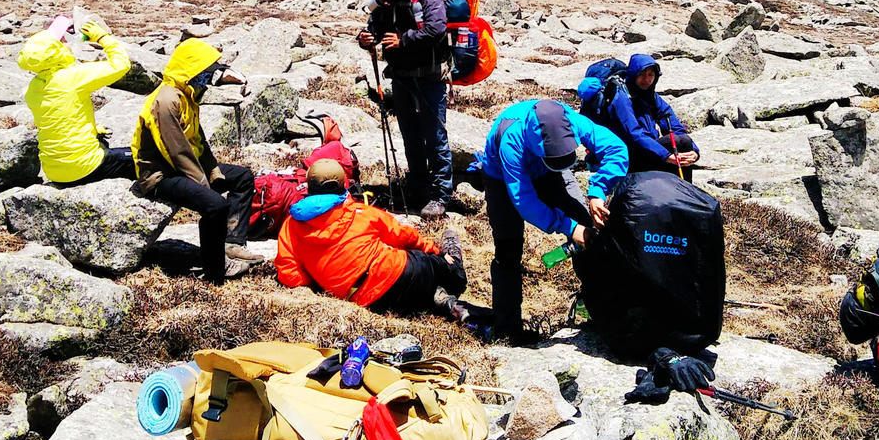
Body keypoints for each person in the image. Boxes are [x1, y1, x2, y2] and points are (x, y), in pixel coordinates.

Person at [476, 98, 629, 344]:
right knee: (508, 248)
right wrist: (568, 227)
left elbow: (616, 148)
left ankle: (595, 307)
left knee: (588, 230)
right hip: (501, 179)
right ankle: (507, 330)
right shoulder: (511, 139)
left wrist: (598, 191)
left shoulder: (572, 121)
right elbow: (524, 201)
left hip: (551, 172)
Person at [274, 158, 469, 319]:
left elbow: (288, 273)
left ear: (309, 187)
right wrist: (435, 251)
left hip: (367, 300)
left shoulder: (291, 224)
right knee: (453, 273)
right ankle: (453, 258)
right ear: (343, 184)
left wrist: (322, 279)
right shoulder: (360, 212)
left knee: (409, 296)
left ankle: (437, 297)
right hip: (401, 272)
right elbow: (405, 236)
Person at [132, 38, 259, 283]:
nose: (208, 77)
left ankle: (232, 243)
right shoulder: (167, 100)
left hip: (183, 167)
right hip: (160, 175)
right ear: (191, 70)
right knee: (215, 205)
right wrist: (204, 183)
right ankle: (215, 272)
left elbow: (197, 139)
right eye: (205, 72)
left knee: (243, 177)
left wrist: (213, 170)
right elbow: (176, 151)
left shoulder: (187, 94)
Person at [358, 0, 452, 217]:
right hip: (400, 76)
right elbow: (375, 24)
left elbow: (437, 28)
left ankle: (440, 195)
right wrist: (367, 38)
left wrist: (403, 40)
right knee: (410, 134)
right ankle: (417, 187)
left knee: (434, 136)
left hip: (427, 77)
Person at [20, 14, 134, 184]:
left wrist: (92, 129)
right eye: (62, 40)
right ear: (55, 52)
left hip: (54, 171)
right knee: (146, 158)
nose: (66, 41)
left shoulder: (33, 88)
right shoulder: (73, 77)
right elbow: (121, 64)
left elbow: (61, 116)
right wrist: (103, 37)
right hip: (85, 167)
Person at [596, 54, 700, 181]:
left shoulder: (651, 96)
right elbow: (634, 134)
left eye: (650, 75)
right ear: (634, 74)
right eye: (642, 75)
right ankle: (683, 190)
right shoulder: (621, 97)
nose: (646, 79)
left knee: (683, 141)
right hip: (627, 156)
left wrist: (694, 152)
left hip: (647, 150)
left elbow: (673, 125)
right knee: (679, 143)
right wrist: (665, 156)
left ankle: (685, 190)